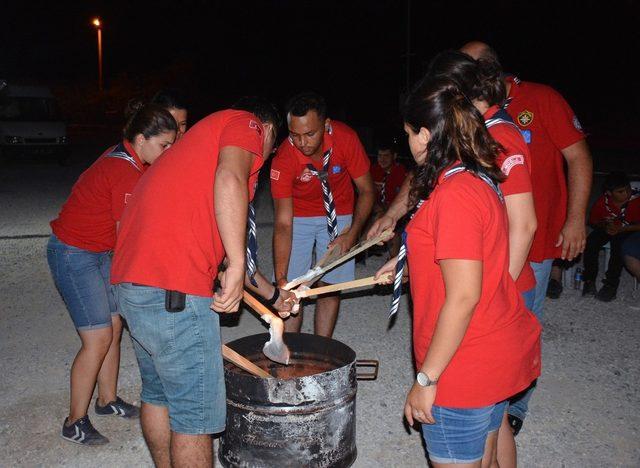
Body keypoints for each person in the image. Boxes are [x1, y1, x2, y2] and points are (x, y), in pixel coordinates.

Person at [112, 97, 295, 467]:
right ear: (270, 132)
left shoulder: (196, 149)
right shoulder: (246, 124)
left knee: (159, 394)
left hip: (133, 284)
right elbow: (230, 181)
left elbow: (230, 254)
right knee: (195, 418)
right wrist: (238, 261)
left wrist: (273, 295)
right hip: (174, 290)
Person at [375, 76, 541, 467]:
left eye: (408, 134)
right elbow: (468, 257)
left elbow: (463, 296)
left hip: (463, 367)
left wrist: (426, 381)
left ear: (426, 134)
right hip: (494, 353)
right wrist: (408, 263)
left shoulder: (454, 195)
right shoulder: (475, 174)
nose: (408, 145)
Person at [460, 41, 593, 436]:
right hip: (487, 239)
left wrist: (575, 220)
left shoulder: (541, 99)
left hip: (533, 238)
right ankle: (490, 398)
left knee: (520, 324)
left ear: (483, 73)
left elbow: (579, 157)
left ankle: (515, 405)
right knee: (485, 320)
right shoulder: (469, 110)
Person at [47, 103, 177, 445]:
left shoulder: (130, 157)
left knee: (115, 326)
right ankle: (74, 421)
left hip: (96, 250)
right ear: (140, 138)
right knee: (98, 337)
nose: (169, 152)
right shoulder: (123, 172)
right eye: (164, 145)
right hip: (74, 254)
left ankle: (106, 401)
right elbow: (129, 242)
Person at [271, 92, 375, 337]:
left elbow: (367, 191)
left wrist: (352, 235)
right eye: (295, 135)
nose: (302, 143)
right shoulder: (283, 159)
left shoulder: (346, 138)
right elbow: (283, 223)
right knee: (294, 289)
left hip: (340, 214)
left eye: (310, 134)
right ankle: (292, 349)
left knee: (329, 286)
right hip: (300, 217)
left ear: (326, 125)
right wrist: (281, 277)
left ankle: (322, 347)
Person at [582, 172, 640, 301]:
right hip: (610, 226)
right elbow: (593, 221)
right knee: (591, 242)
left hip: (630, 228)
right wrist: (605, 226)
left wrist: (623, 229)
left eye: (627, 189)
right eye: (620, 192)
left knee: (619, 245)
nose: (626, 194)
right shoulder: (603, 202)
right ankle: (589, 280)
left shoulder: (636, 200)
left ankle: (611, 284)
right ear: (609, 193)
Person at [368, 142, 407, 257]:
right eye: (380, 156)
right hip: (376, 208)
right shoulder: (373, 170)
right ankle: (361, 250)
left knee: (392, 228)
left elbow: (401, 200)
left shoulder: (401, 172)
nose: (382, 159)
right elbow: (367, 194)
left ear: (394, 156)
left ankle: (393, 259)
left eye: (386, 156)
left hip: (395, 211)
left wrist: (386, 211)